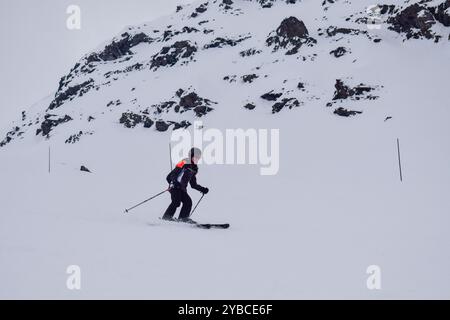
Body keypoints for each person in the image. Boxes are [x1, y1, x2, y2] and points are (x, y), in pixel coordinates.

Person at [162, 147, 209, 222]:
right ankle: (166, 217)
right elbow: (173, 174)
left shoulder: (194, 169)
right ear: (191, 155)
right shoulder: (184, 162)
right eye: (195, 157)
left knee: (188, 202)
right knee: (176, 202)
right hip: (174, 186)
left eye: (199, 157)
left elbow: (193, 184)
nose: (197, 159)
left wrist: (202, 189)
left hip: (182, 189)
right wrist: (174, 182)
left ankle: (183, 218)